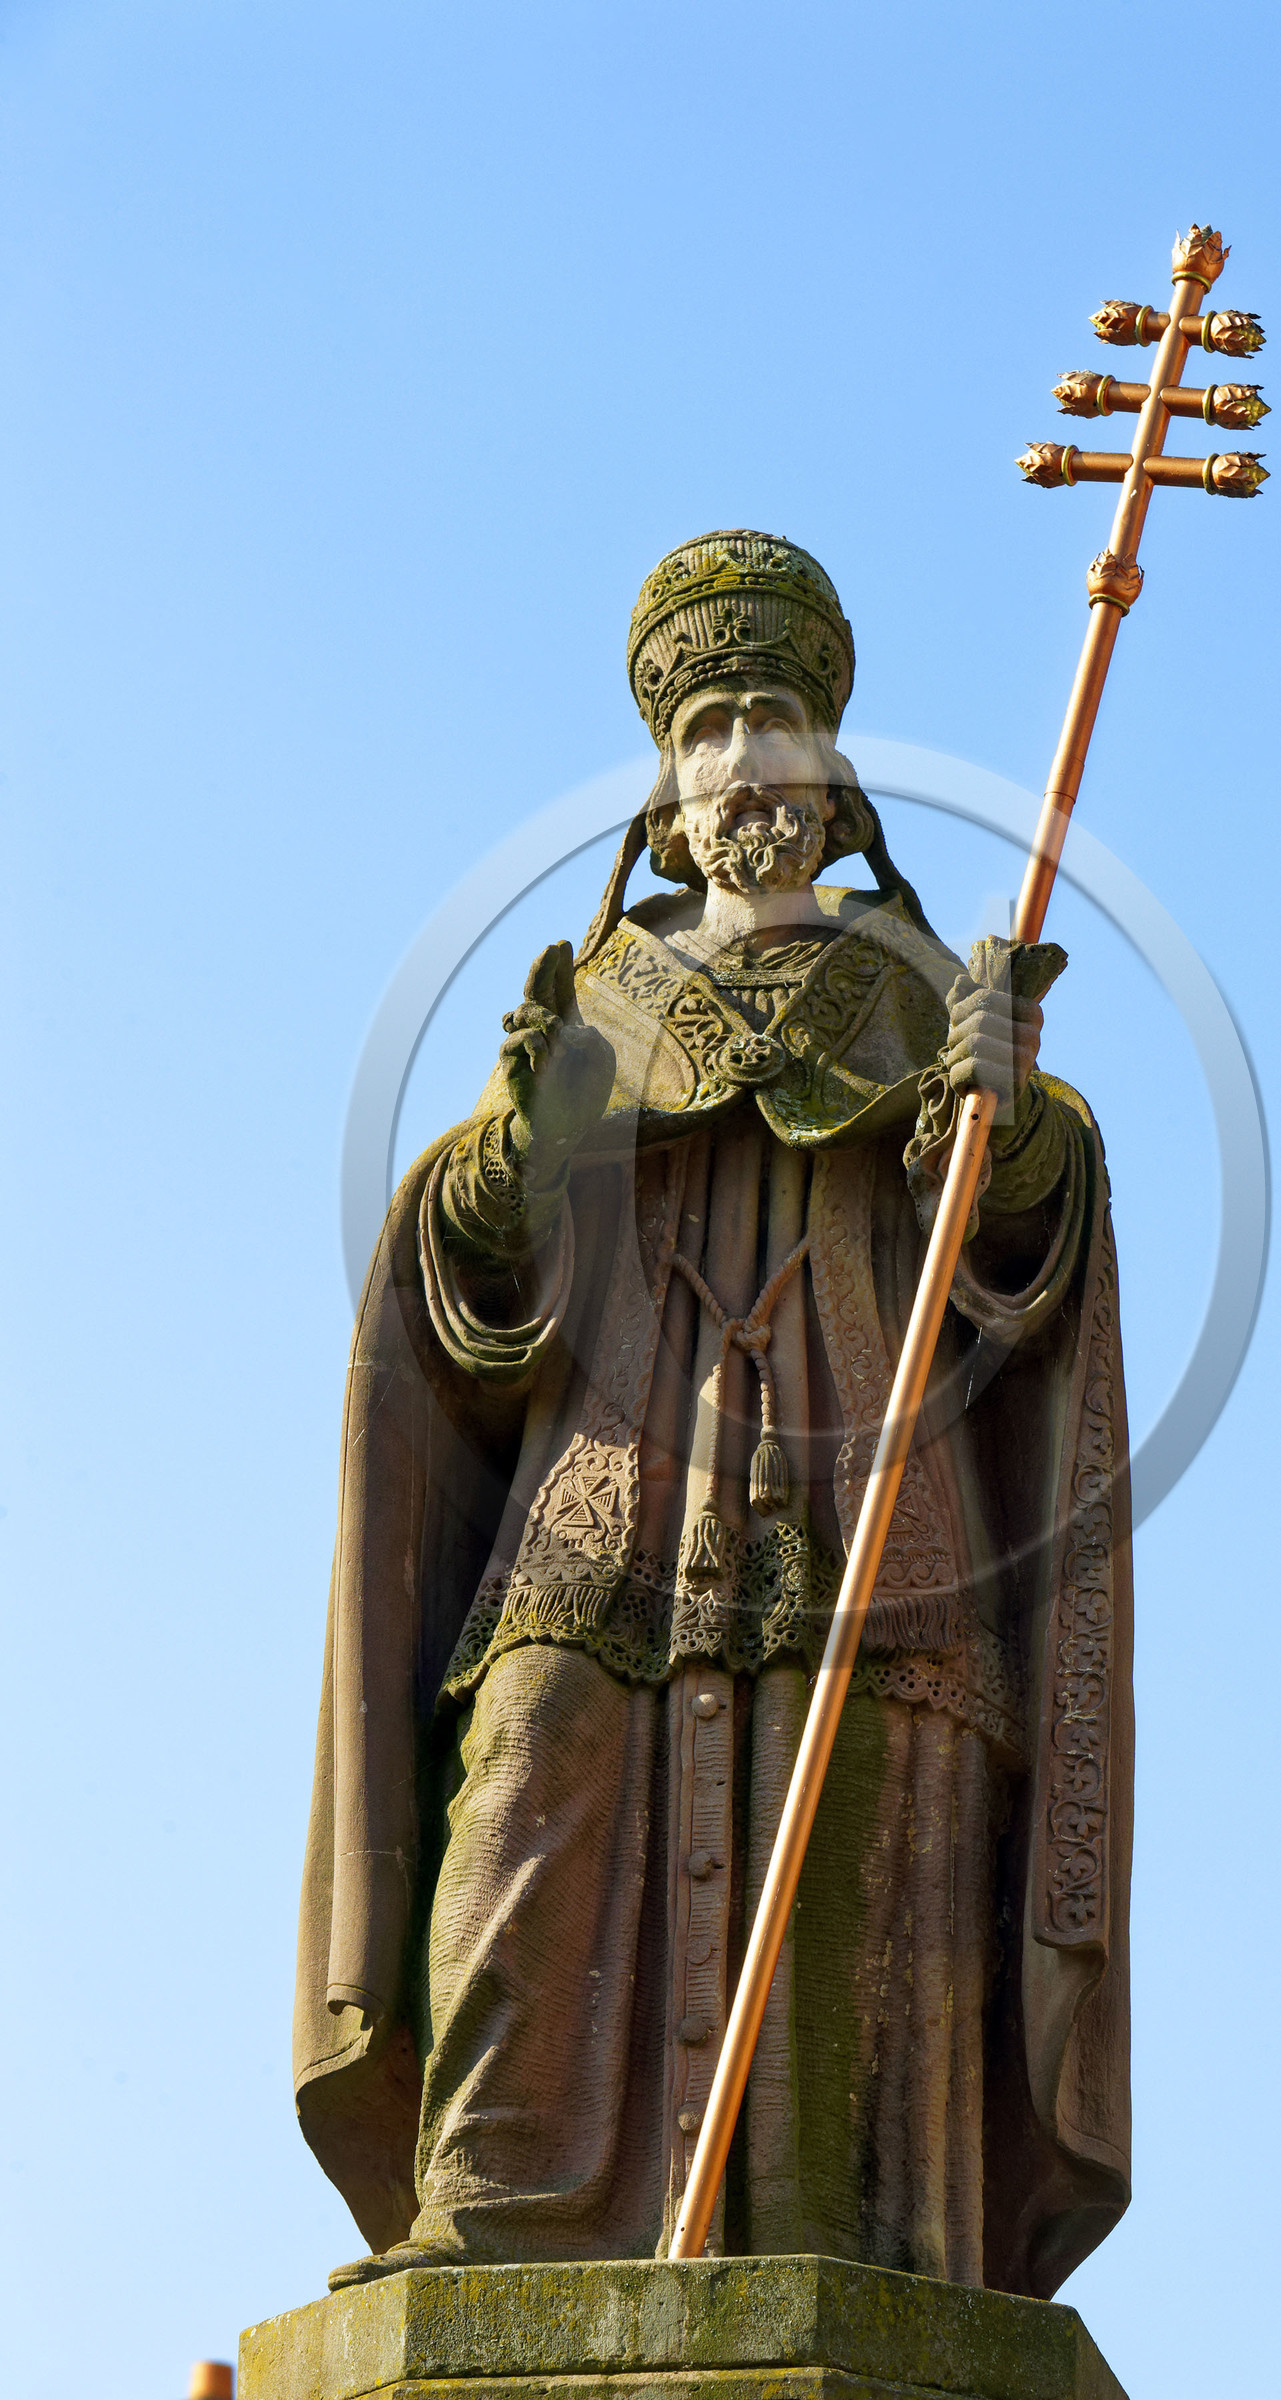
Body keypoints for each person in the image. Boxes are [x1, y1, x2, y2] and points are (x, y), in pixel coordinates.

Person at [294, 530, 1133, 2297]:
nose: (744, 757)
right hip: (608, 1487)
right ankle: (500, 2217)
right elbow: (471, 1278)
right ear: (667, 796)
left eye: (773, 720)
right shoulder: (594, 1005)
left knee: (868, 1840)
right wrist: (511, 1160)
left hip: (865, 1496)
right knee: (528, 1770)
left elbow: (1023, 1258)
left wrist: (1014, 1131)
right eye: (707, 731)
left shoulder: (920, 994)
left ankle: (863, 2237)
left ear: (832, 777)